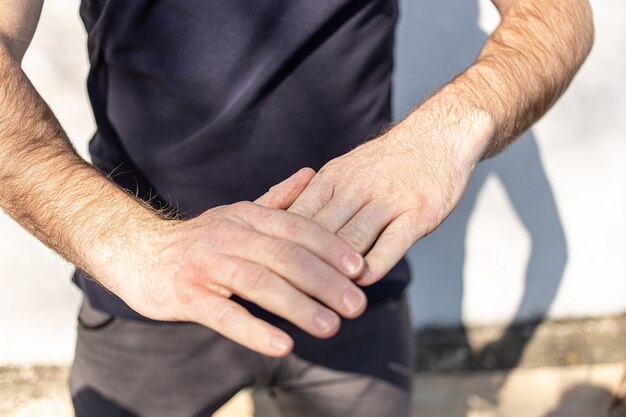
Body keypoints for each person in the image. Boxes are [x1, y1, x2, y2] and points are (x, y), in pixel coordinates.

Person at [0, 0, 593, 416]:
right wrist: (129, 243)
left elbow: (559, 12)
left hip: (350, 287)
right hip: (144, 302)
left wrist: (450, 128)